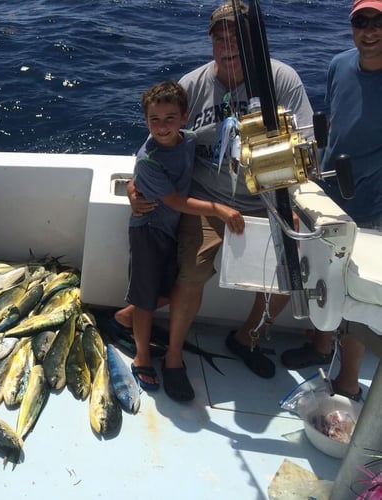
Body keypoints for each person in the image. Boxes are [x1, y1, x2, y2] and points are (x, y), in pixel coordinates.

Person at [113, 1, 314, 400]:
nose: (227, 45)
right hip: (206, 197)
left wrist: (290, 198)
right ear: (210, 41)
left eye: (236, 36)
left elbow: (307, 144)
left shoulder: (282, 80)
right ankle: (172, 357)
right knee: (192, 271)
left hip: (268, 198)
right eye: (219, 36)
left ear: (252, 40)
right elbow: (153, 143)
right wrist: (137, 189)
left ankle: (247, 339)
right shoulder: (194, 84)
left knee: (288, 273)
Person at [280, 0, 382, 401]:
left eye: (378, 21)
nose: (370, 30)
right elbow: (333, 125)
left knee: (357, 287)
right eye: (361, 21)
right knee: (323, 270)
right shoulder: (339, 64)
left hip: (374, 199)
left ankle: (347, 379)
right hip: (330, 189)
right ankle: (321, 346)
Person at [125, 81, 243, 397]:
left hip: (171, 229)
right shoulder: (148, 158)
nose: (162, 127)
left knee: (167, 287)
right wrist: (219, 209)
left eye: (170, 118)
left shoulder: (188, 141)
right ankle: (142, 356)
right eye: (154, 120)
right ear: (146, 121)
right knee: (146, 297)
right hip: (148, 230)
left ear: (185, 117)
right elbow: (175, 201)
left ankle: (124, 318)